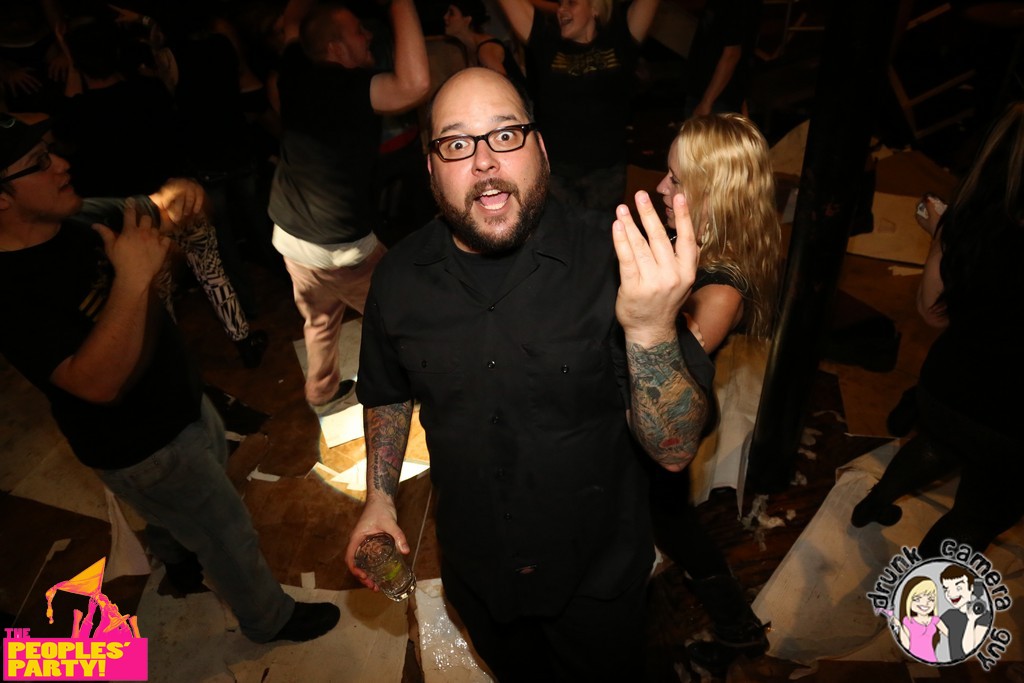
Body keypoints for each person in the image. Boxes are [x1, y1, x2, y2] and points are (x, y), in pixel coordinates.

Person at [344, 67, 711, 680]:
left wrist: (649, 330)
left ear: (540, 147)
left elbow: (673, 451)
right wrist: (379, 499)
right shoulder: (399, 277)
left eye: (505, 134)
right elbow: (388, 392)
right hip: (478, 576)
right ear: (430, 167)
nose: (484, 160)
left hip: (596, 583)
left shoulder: (619, 257)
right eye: (456, 143)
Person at [0, 114, 339, 644]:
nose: (61, 164)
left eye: (51, 150)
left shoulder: (78, 217)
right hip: (141, 446)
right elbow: (94, 384)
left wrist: (177, 194)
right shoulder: (11, 291)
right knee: (226, 534)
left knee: (180, 509)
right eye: (38, 162)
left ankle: (178, 557)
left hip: (182, 401)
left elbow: (156, 206)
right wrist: (134, 277)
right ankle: (268, 619)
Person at [850, 102, 1024, 559]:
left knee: (935, 444)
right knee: (976, 518)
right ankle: (923, 593)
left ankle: (873, 505)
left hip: (946, 389)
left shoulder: (973, 221)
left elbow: (933, 313)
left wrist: (943, 237)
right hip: (1011, 424)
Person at [648, 112, 780, 676]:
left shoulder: (721, 290)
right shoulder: (691, 236)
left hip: (667, 423)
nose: (661, 186)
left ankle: (738, 630)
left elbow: (664, 376)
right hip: (648, 416)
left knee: (675, 527)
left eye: (676, 180)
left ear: (715, 196)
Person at [268, 0, 430, 413]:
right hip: (338, 248)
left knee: (320, 317)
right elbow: (414, 85)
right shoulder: (345, 87)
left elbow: (292, 22)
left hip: (290, 234)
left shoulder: (294, 65)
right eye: (359, 30)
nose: (368, 35)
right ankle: (426, 389)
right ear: (336, 49)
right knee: (407, 314)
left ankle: (320, 392)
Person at [497, 0, 661, 211]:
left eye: (571, 3)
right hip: (557, 174)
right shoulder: (547, 43)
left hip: (607, 175)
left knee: (603, 232)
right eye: (561, 3)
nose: (561, 10)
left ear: (595, 9)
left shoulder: (619, 41)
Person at [684, 0, 762, 117]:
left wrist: (707, 102)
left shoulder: (736, 4)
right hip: (706, 94)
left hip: (716, 100)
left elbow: (732, 54)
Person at [442, 0, 526, 93]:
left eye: (451, 13)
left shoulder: (486, 50)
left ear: (467, 20)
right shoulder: (471, 48)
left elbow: (502, 89)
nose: (445, 17)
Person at [938, 565, 990, 662]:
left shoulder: (984, 616)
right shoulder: (949, 615)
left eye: (958, 588)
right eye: (946, 589)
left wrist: (971, 620)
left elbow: (968, 650)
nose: (951, 594)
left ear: (971, 587)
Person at [890, 576, 947, 663]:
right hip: (913, 659)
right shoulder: (907, 621)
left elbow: (951, 635)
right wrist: (899, 626)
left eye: (931, 599)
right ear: (908, 600)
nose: (925, 603)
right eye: (917, 599)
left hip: (931, 659)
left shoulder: (935, 620)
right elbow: (906, 645)